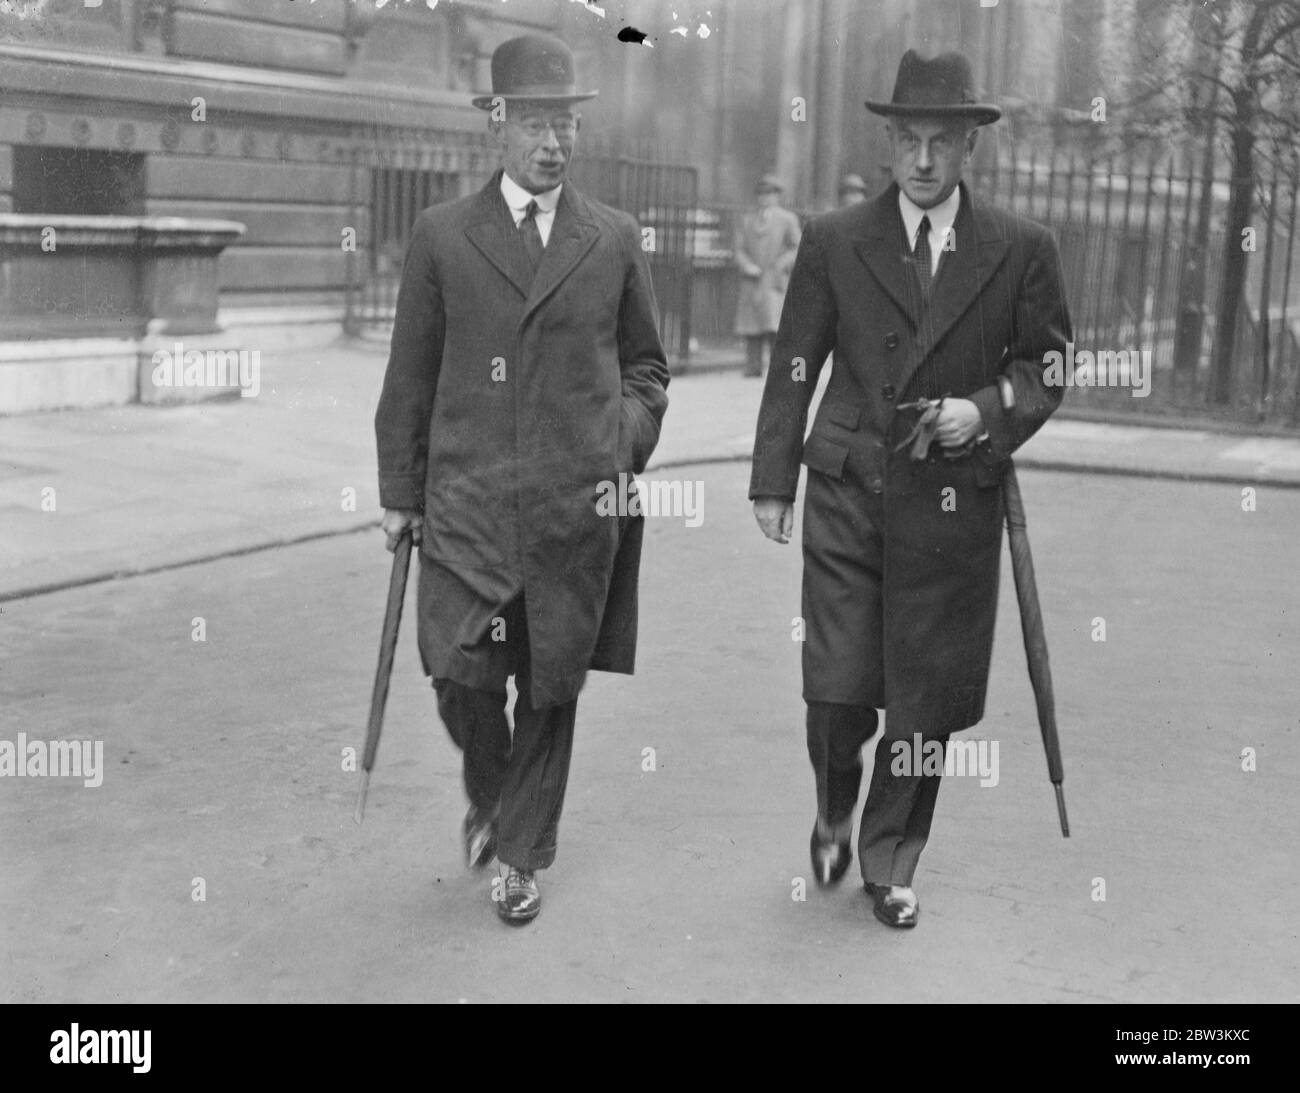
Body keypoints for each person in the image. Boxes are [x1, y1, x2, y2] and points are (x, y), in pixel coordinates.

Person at [748, 50, 1072, 929]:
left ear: (970, 148)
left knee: (922, 696)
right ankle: (833, 804)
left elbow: (1045, 368)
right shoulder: (835, 239)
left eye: (942, 141)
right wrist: (773, 479)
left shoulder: (1020, 250)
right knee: (838, 687)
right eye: (909, 140)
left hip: (952, 505)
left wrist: (985, 410)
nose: (924, 160)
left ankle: (891, 858)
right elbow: (795, 365)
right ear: (889, 142)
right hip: (851, 487)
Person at [374, 34, 669, 926]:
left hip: (573, 511)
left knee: (551, 682)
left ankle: (521, 851)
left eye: (565, 124)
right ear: (498, 124)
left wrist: (614, 445)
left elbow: (648, 371)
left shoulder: (612, 238)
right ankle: (495, 793)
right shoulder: (442, 236)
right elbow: (409, 376)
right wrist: (399, 490)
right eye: (536, 122)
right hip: (465, 505)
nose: (553, 143)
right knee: (460, 674)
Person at [734, 174, 801, 377]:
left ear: (777, 196)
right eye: (761, 194)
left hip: (775, 280)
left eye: (770, 194)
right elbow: (739, 249)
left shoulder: (788, 219)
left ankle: (779, 371)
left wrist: (782, 264)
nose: (765, 198)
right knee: (751, 325)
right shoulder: (747, 220)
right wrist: (746, 266)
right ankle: (752, 367)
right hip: (753, 279)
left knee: (775, 325)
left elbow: (797, 247)